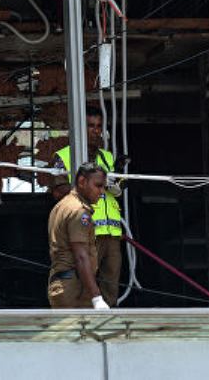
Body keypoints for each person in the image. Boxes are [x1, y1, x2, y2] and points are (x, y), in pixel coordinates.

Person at [51, 107, 124, 306]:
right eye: (91, 126)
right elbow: (57, 190)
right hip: (85, 230)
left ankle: (107, 327)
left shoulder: (107, 157)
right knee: (84, 282)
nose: (95, 130)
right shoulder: (64, 156)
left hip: (112, 231)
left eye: (99, 126)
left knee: (111, 284)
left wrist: (115, 185)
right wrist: (88, 187)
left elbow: (119, 189)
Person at [47, 162, 110, 309]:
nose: (102, 192)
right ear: (82, 182)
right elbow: (81, 257)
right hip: (74, 288)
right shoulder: (79, 212)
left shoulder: (62, 205)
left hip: (63, 283)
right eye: (98, 186)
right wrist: (96, 298)